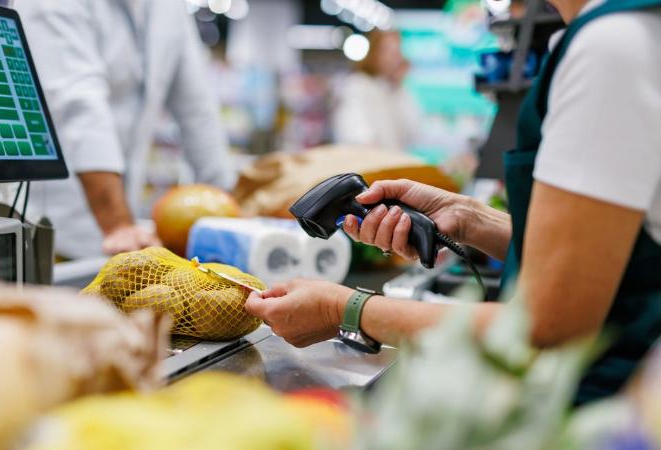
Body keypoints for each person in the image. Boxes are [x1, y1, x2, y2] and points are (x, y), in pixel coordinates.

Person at [247, 0, 661, 406]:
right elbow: (600, 253)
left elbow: (544, 330)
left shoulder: (610, 49)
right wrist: (470, 218)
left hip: (605, 405)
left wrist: (342, 309)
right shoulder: (616, 34)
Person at [14, 0, 236, 258]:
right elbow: (79, 107)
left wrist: (231, 218)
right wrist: (118, 225)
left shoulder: (168, 8)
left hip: (125, 229)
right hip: (55, 236)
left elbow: (198, 111)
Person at [332, 30, 421, 151]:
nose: (393, 58)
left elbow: (413, 131)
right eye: (387, 51)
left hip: (391, 164)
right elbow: (354, 131)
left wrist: (399, 86)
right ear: (374, 53)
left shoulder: (394, 90)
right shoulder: (357, 85)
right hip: (369, 164)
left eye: (396, 52)